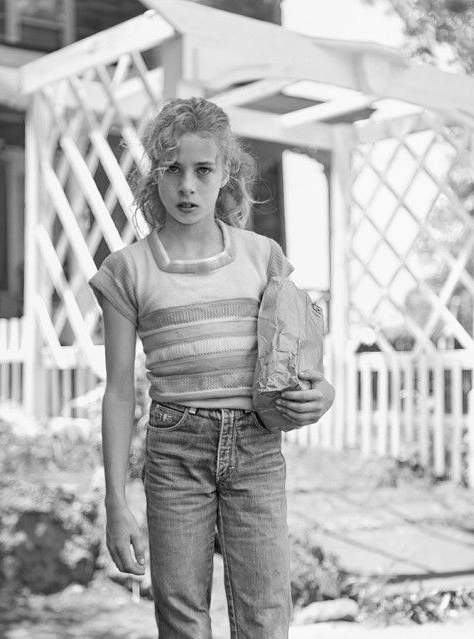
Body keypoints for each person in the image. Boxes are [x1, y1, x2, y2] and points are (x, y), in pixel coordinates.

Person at [89, 97, 335, 639]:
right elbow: (119, 393)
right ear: (155, 175)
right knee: (181, 618)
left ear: (226, 174)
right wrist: (115, 500)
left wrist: (324, 393)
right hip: (175, 450)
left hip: (256, 451)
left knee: (266, 617)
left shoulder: (262, 257)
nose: (187, 186)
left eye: (203, 170)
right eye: (173, 170)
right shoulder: (126, 271)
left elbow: (298, 352)